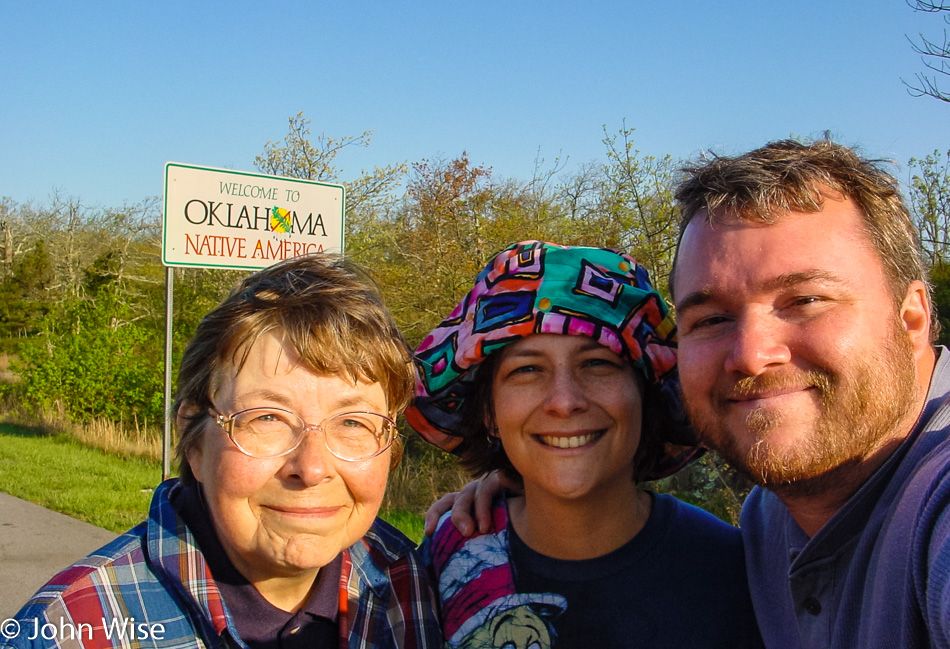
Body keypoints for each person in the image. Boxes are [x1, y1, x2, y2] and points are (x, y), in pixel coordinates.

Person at [440, 141, 950, 648]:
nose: (751, 356)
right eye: (712, 319)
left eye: (806, 300)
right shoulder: (768, 526)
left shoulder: (732, 562)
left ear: (912, 317)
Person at [3, 255, 441, 649]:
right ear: (193, 439)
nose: (311, 468)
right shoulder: (70, 630)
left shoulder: (411, 583)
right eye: (267, 418)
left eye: (352, 423)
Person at [405, 240, 763, 649]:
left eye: (597, 364)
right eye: (527, 370)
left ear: (647, 397)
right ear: (489, 413)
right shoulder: (443, 564)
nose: (564, 401)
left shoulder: (739, 576)